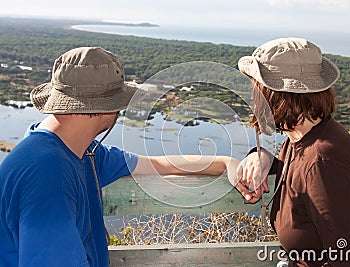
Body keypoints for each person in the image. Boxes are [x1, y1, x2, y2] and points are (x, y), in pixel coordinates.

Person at [0, 47, 252, 266]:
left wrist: (225, 162)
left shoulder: (82, 153)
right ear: (107, 107)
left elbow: (157, 164)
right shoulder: (48, 176)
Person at [236, 37, 350, 266]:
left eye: (256, 87)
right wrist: (260, 155)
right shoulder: (306, 138)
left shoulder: (323, 160)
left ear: (273, 95)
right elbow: (295, 176)